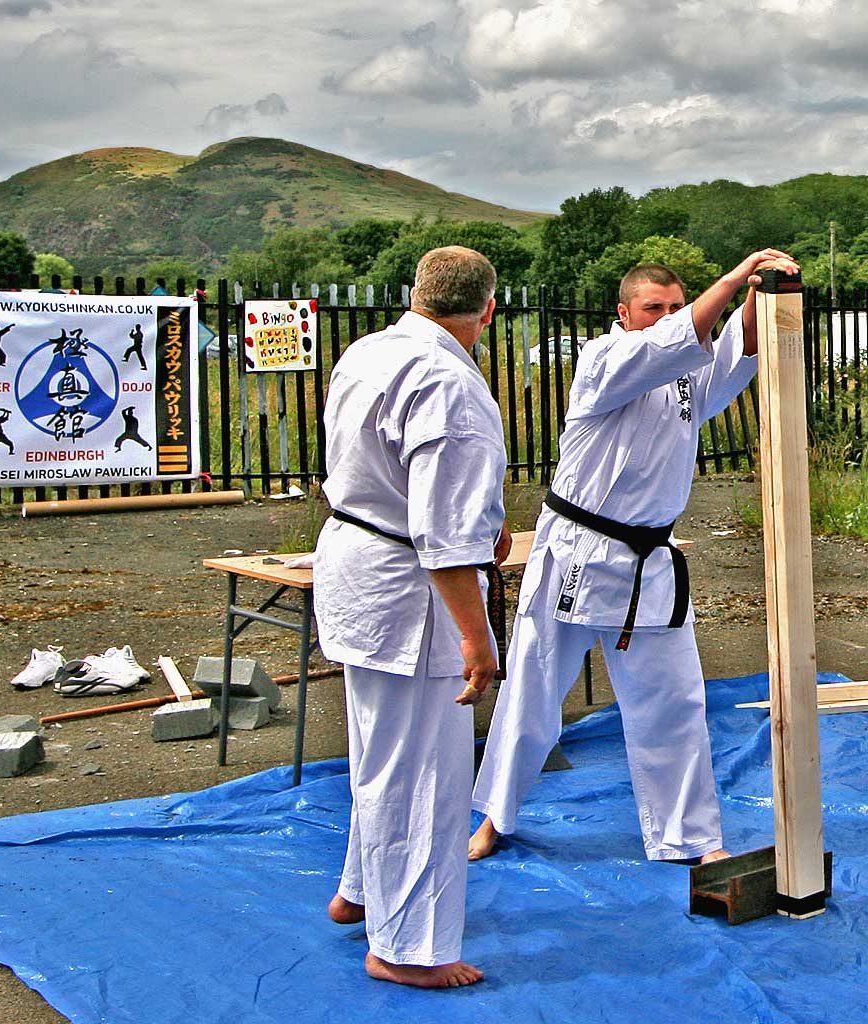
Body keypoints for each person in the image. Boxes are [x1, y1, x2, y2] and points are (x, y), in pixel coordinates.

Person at [469, 248, 800, 865]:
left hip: (649, 564)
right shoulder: (603, 359)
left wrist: (760, 288)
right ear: (624, 313)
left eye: (676, 307)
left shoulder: (684, 374)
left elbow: (738, 350)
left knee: (675, 702)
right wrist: (728, 280)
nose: (670, 317)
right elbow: (678, 340)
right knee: (533, 698)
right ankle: (494, 819)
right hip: (576, 554)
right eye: (655, 308)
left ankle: (692, 839)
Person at [314, 246, 511, 989]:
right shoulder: (448, 383)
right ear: (486, 309)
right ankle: (405, 947)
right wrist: (476, 635)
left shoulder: (369, 350)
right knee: (425, 769)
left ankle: (359, 891)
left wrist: (477, 521)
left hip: (358, 558)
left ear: (415, 293)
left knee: (379, 748)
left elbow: (383, 467)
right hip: (410, 588)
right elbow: (444, 532)